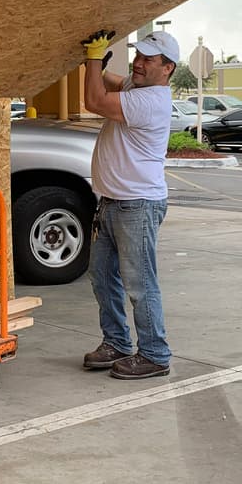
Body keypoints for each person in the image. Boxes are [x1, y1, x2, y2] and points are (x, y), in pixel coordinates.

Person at [78, 28, 179, 380]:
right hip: (112, 202)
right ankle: (117, 343)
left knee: (140, 284)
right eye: (138, 56)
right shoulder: (137, 87)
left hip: (137, 205)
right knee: (103, 277)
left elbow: (94, 101)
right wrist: (97, 62)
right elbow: (110, 80)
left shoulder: (150, 101)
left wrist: (93, 61)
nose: (138, 63)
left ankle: (154, 353)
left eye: (147, 60)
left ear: (167, 68)